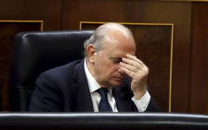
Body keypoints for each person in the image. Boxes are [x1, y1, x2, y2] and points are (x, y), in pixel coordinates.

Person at [29, 23, 161, 112]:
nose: (123, 69)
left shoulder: (133, 85)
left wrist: (141, 92)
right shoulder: (55, 83)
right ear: (93, 54)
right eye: (117, 60)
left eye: (129, 61)